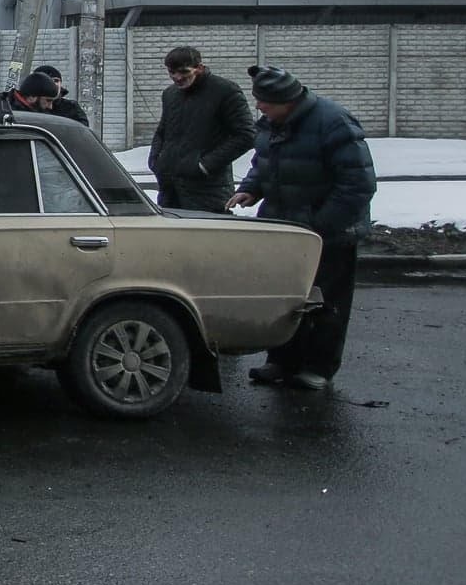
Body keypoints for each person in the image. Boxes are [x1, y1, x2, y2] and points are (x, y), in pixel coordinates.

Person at [230, 65, 376, 391]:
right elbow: (264, 162)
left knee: (326, 301)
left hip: (329, 235)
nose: (258, 107)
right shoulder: (272, 123)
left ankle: (319, 366)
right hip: (285, 229)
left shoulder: (334, 122)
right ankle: (281, 360)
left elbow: (358, 185)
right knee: (285, 297)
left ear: (287, 101)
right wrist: (251, 188)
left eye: (264, 101)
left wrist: (319, 226)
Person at [147, 44, 255, 211]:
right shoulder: (170, 94)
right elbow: (163, 131)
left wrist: (204, 165)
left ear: (199, 68)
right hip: (170, 189)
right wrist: (156, 160)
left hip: (208, 191)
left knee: (208, 236)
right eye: (171, 72)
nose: (177, 78)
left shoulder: (225, 91)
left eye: (184, 72)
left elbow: (246, 135)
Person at [3, 68, 85, 123]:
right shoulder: (4, 108)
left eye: (56, 81)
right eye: (48, 100)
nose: (50, 107)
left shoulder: (70, 107)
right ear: (32, 97)